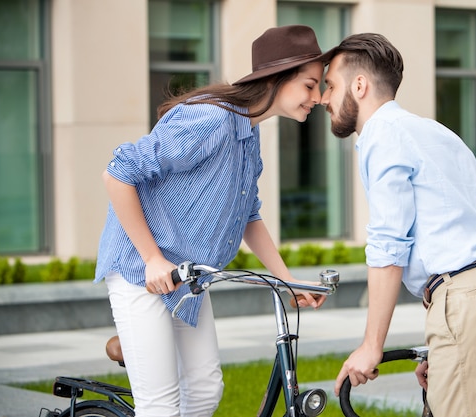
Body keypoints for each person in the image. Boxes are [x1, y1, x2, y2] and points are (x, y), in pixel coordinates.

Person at [94, 25, 329, 417]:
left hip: (188, 280)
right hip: (143, 271)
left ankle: (139, 342)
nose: (318, 98)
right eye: (310, 85)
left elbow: (249, 215)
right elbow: (117, 174)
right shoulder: (211, 120)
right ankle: (139, 337)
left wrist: (288, 280)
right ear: (277, 79)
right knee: (161, 408)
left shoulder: (249, 135)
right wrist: (152, 258)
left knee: (205, 392)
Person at [320, 33, 476, 417]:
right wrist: (446, 346)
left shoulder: (382, 135)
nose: (323, 98)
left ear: (360, 85)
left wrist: (372, 345)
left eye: (330, 86)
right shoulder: (438, 133)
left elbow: (388, 244)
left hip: (468, 300)